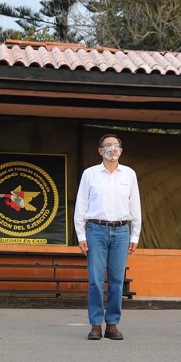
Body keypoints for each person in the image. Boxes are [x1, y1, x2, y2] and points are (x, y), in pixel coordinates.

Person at [74, 134, 142, 340]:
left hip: (121, 231)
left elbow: (135, 205)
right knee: (95, 280)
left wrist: (135, 235)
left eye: (116, 146)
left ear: (121, 150)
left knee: (116, 281)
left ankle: (112, 323)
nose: (112, 149)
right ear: (100, 150)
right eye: (107, 146)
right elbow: (81, 205)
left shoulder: (129, 174)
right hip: (96, 230)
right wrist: (81, 234)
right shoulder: (90, 174)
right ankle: (95, 324)